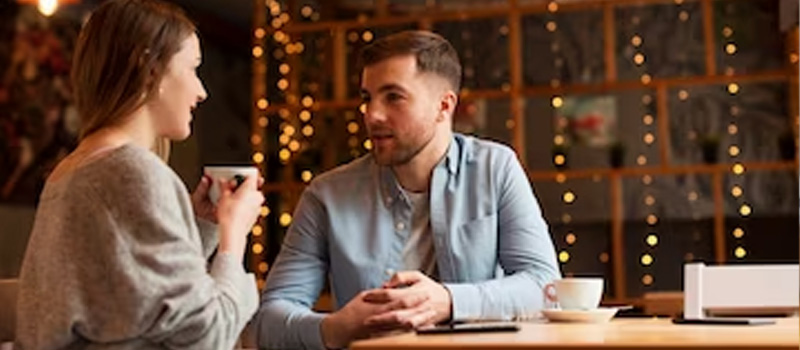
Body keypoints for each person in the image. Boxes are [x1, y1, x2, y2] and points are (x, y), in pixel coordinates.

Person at [255, 30, 560, 350]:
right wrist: (338, 328)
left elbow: (545, 287)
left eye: (393, 97)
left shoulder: (495, 168)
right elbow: (269, 322)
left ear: (444, 105)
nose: (372, 115)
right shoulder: (326, 195)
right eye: (366, 98)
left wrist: (448, 300)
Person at [15, 0, 264, 349]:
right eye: (193, 68)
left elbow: (134, 300)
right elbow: (207, 336)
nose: (201, 91)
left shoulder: (73, 169)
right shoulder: (133, 173)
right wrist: (233, 235)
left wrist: (200, 227)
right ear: (150, 69)